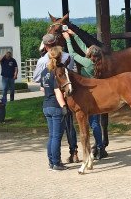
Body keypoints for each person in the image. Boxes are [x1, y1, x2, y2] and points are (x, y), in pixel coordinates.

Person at [62, 29, 108, 160]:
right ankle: (100, 146)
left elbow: (72, 54)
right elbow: (84, 49)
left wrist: (67, 40)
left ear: (91, 56)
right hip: (99, 93)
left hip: (89, 95)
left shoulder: (87, 63)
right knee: (97, 122)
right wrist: (74, 34)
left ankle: (99, 146)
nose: (86, 51)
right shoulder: (99, 62)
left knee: (93, 123)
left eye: (89, 51)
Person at [34, 34, 79, 163]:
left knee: (53, 135)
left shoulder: (42, 61)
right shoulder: (67, 57)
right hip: (67, 95)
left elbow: (37, 78)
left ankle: (53, 161)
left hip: (50, 99)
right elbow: (74, 73)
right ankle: (74, 152)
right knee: (70, 126)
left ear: (46, 46)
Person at [40, 46, 69, 171]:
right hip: (56, 106)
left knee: (51, 136)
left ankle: (51, 162)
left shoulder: (44, 72)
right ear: (59, 57)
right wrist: (64, 107)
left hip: (46, 105)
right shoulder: (56, 72)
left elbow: (42, 88)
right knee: (57, 136)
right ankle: (57, 163)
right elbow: (58, 92)